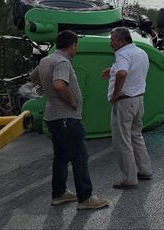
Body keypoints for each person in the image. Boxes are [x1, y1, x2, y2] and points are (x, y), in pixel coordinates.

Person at [29, 30, 109, 210]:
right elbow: (59, 84)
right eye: (76, 46)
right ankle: (85, 198)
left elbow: (33, 77)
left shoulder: (46, 60)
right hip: (66, 118)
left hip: (52, 117)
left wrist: (48, 89)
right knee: (80, 157)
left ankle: (59, 194)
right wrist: (72, 101)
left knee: (61, 157)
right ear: (73, 45)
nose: (76, 49)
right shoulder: (63, 62)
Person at [102, 27, 153, 189]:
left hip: (124, 102)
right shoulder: (141, 52)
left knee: (122, 141)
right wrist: (112, 70)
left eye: (113, 40)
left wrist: (116, 94)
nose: (111, 43)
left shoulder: (122, 54)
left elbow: (123, 73)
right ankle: (145, 169)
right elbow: (132, 70)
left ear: (122, 41)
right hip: (139, 100)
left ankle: (129, 178)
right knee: (136, 136)